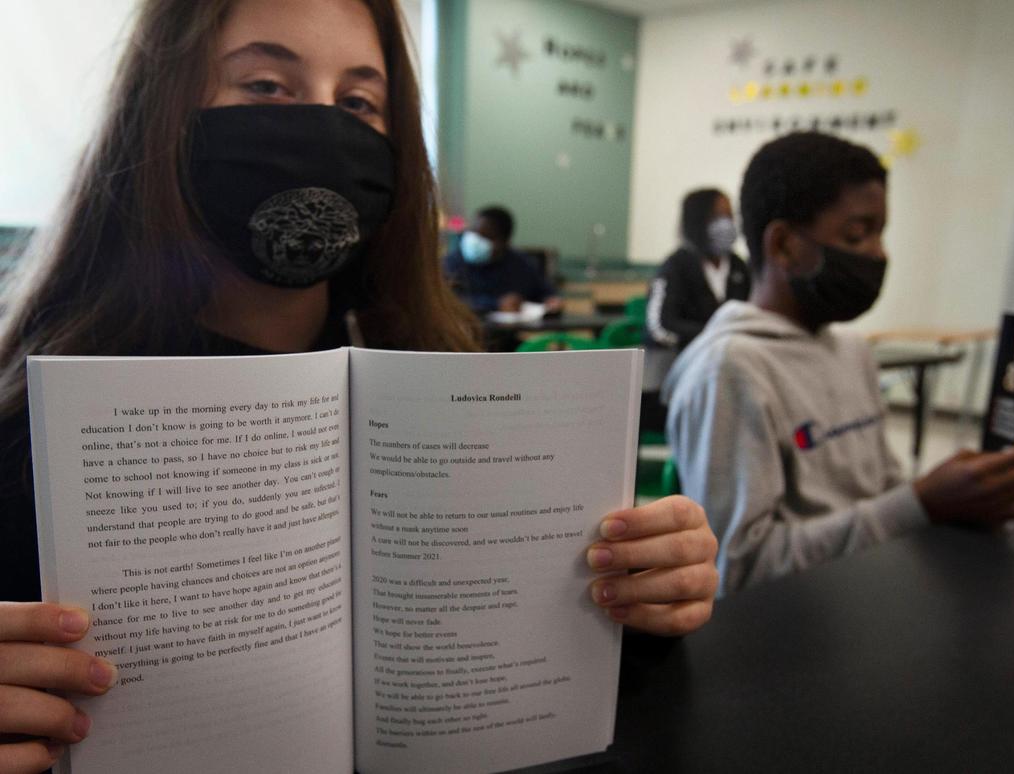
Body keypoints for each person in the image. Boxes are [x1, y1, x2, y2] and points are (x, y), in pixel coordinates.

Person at [0, 2, 717, 771]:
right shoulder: (29, 432)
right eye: (267, 86)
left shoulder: (447, 379)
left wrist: (644, 597)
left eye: (357, 103)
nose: (321, 128)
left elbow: (559, 670)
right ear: (161, 111)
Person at [663, 131, 1014, 595]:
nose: (879, 253)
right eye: (857, 234)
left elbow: (885, 493)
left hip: (873, 596)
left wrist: (996, 486)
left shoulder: (852, 350)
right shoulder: (729, 370)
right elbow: (735, 572)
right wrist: (921, 503)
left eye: (881, 233)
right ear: (783, 245)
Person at [644, 188, 751, 352]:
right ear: (698, 221)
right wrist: (713, 336)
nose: (726, 224)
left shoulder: (739, 267)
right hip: (680, 360)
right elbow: (660, 327)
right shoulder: (676, 266)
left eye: (729, 216)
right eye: (718, 217)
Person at [442, 205, 563, 315]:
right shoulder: (452, 263)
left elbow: (545, 292)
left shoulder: (520, 264)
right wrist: (495, 304)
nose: (475, 240)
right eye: (474, 232)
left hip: (505, 335)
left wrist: (552, 301)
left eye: (486, 236)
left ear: (504, 242)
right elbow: (448, 301)